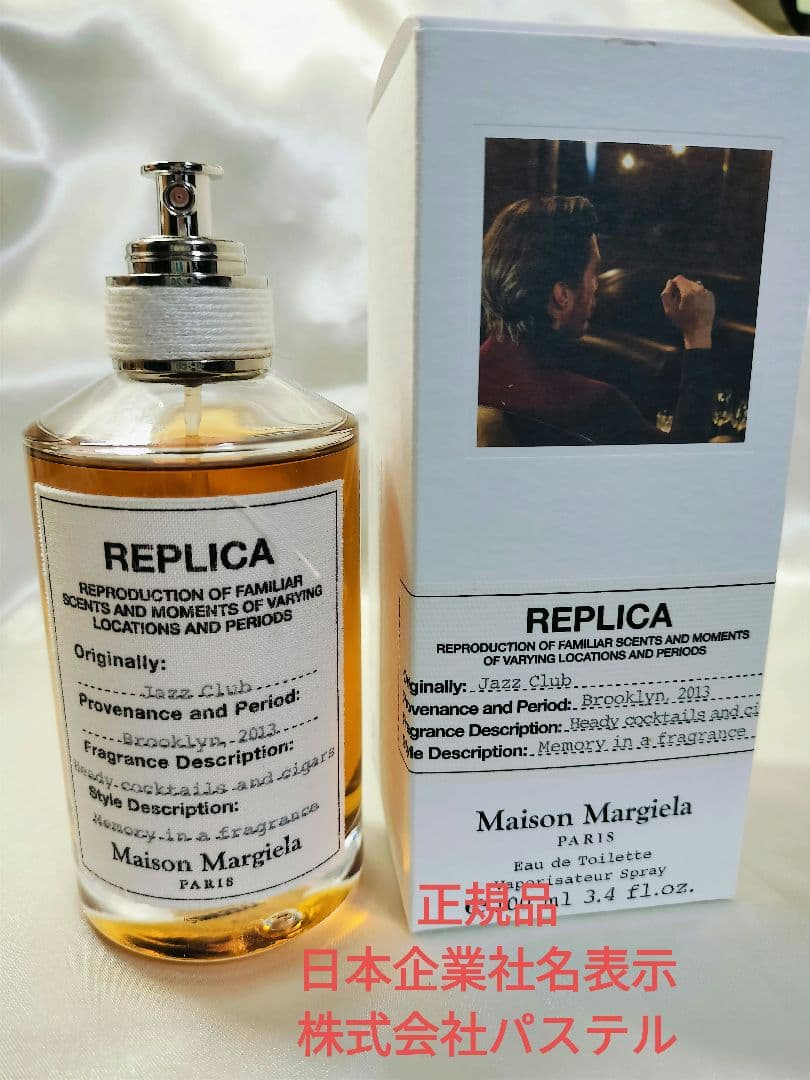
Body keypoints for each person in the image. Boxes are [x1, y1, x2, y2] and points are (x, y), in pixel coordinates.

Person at [478, 195, 716, 446]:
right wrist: (698, 334)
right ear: (562, 295)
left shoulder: (466, 377)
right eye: (594, 272)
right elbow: (685, 457)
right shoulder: (594, 404)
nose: (596, 286)